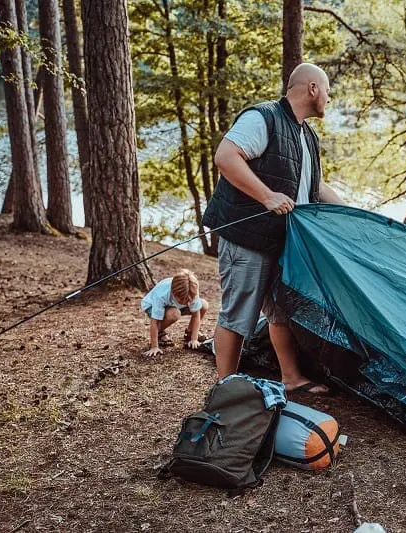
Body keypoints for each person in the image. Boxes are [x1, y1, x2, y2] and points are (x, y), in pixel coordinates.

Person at [202, 63, 344, 395]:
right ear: (312, 89)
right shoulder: (263, 117)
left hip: (282, 242)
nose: (328, 98)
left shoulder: (306, 134)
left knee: (280, 311)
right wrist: (266, 196)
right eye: (327, 90)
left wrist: (353, 218)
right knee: (239, 312)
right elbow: (226, 157)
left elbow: (315, 188)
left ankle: (291, 377)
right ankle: (226, 389)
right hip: (248, 237)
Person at [141, 269, 208, 357]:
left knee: (203, 305)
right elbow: (155, 321)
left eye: (188, 300)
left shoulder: (191, 289)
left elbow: (196, 314)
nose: (187, 303)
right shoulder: (162, 295)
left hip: (175, 306)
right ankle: (159, 333)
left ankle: (190, 333)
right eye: (182, 300)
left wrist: (194, 339)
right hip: (151, 306)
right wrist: (154, 347)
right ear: (173, 293)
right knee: (174, 314)